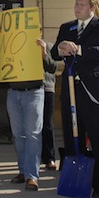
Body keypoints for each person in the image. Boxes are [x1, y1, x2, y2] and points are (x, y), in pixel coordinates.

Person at [51, 0, 99, 198]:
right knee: (72, 136)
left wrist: (78, 49)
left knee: (97, 137)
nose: (77, 8)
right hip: (71, 89)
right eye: (76, 4)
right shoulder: (67, 27)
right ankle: (77, 179)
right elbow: (54, 53)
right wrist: (61, 47)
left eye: (82, 4)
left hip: (93, 90)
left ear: (92, 8)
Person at [6, 34, 57, 191]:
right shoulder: (10, 43)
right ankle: (23, 171)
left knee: (33, 134)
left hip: (34, 92)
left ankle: (32, 176)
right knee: (18, 135)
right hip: (13, 92)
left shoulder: (44, 45)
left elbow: (52, 68)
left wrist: (43, 53)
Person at [40, 32, 58, 171]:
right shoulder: (22, 47)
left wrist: (44, 53)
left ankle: (49, 157)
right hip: (30, 89)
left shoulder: (49, 46)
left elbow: (53, 68)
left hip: (46, 88)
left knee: (47, 124)